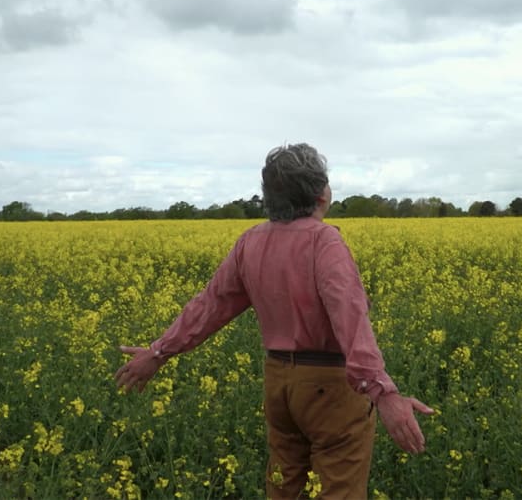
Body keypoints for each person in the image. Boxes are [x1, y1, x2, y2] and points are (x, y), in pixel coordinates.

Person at [114, 143, 433, 498]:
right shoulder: (324, 241)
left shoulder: (251, 242)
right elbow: (350, 318)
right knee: (339, 491)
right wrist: (383, 393)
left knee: (283, 488)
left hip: (279, 384)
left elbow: (209, 306)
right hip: (331, 388)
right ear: (320, 194)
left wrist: (158, 352)